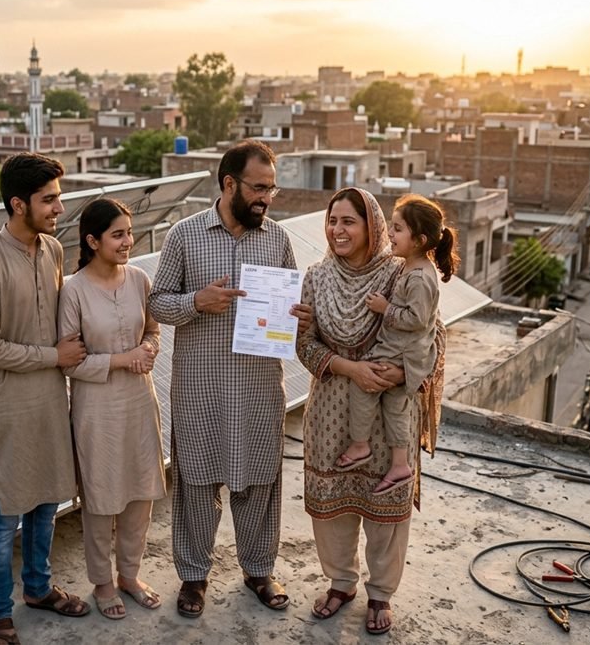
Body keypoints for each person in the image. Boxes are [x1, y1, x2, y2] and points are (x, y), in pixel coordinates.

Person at [148, 139, 310, 619]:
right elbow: (158, 303)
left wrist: (297, 315)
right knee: (197, 482)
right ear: (229, 184)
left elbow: (291, 304)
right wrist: (196, 302)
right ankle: (194, 576)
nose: (265, 198)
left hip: (259, 387)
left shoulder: (276, 239)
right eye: (258, 188)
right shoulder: (185, 235)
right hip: (201, 388)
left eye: (271, 189)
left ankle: (259, 570)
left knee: (259, 480)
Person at [296, 187, 448, 637]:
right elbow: (305, 345)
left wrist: (400, 372)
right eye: (332, 221)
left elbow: (433, 336)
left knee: (385, 507)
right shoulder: (317, 276)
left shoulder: (401, 272)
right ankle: (341, 583)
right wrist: (352, 369)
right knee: (331, 505)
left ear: (373, 226)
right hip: (331, 407)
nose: (337, 230)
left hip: (388, 407)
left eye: (348, 221)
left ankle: (381, 592)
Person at [0, 152, 92, 645]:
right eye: (49, 200)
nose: (60, 209)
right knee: (2, 521)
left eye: (59, 198)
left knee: (45, 506)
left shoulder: (52, 250)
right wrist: (53, 355)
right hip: (8, 410)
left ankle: (38, 589)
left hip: (50, 402)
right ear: (19, 204)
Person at [58, 198, 166, 620]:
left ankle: (130, 576)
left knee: (140, 493)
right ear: (92, 241)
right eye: (118, 234)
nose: (128, 241)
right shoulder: (73, 290)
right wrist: (124, 359)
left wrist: (149, 349)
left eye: (129, 232)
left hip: (140, 402)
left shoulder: (139, 279)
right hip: (97, 409)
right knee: (101, 498)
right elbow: (70, 361)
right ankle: (102, 581)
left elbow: (153, 330)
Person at [334, 194, 456, 496]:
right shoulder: (410, 267)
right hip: (407, 350)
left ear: (419, 240)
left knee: (363, 387)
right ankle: (400, 464)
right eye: (391, 226)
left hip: (400, 350)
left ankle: (360, 445)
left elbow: (417, 319)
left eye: (398, 229)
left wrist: (384, 308)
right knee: (395, 406)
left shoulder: (419, 278)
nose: (390, 234)